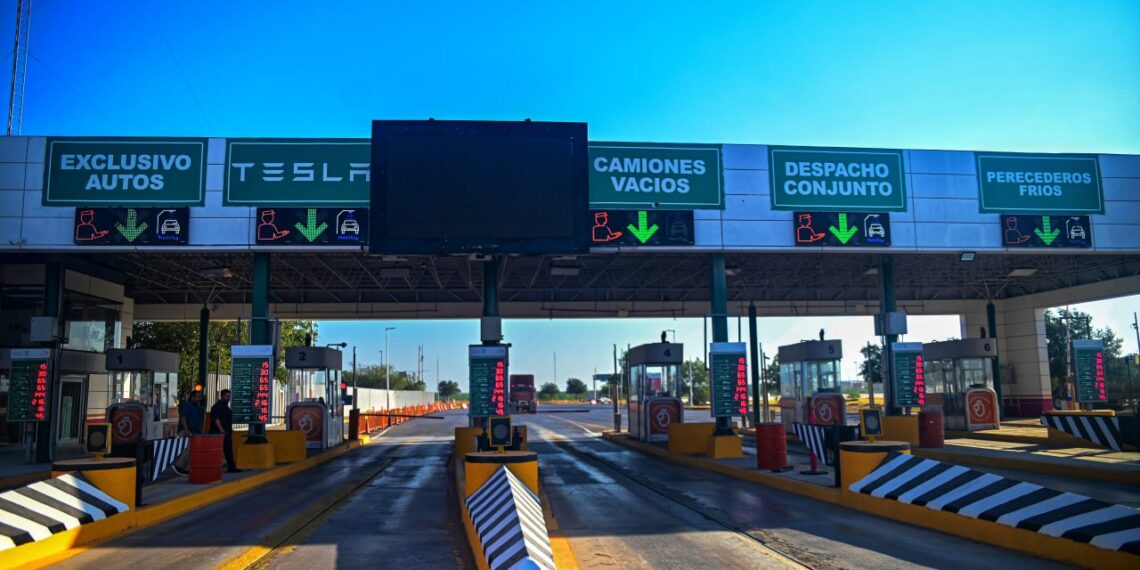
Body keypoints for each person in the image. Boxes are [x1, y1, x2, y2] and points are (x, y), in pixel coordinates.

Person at [171, 390, 205, 476]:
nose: (200, 399)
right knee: (189, 449)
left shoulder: (196, 406)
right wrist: (187, 430)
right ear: (193, 397)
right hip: (186, 431)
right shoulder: (188, 406)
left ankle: (184, 467)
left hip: (193, 431)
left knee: (191, 449)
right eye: (198, 397)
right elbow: (183, 418)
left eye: (200, 397)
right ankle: (179, 466)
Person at [211, 389, 242, 473]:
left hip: (227, 432)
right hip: (219, 433)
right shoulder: (217, 407)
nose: (229, 398)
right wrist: (222, 430)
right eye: (227, 396)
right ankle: (214, 468)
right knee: (217, 451)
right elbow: (216, 419)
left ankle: (231, 467)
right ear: (222, 396)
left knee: (228, 451)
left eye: (229, 396)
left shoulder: (226, 407)